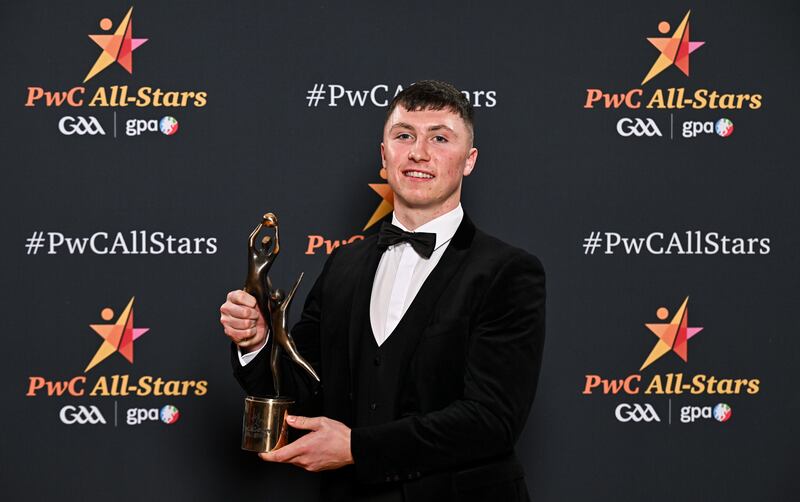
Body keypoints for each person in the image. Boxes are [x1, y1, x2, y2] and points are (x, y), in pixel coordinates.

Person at [220, 80, 545, 502]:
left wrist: (357, 448)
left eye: (440, 138)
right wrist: (258, 341)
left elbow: (491, 421)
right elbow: (299, 390)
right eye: (404, 135)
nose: (419, 152)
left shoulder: (508, 271)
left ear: (469, 160)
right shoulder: (344, 265)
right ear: (384, 154)